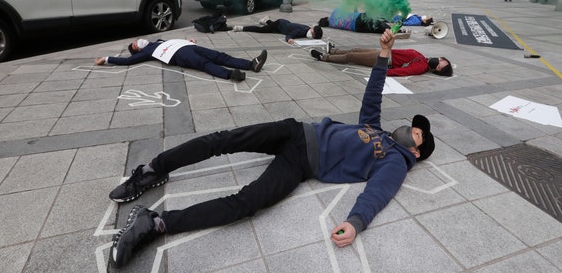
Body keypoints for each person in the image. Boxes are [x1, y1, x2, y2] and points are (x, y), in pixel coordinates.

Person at [108, 30, 436, 268]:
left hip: (302, 163)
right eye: (414, 125)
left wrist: (356, 222)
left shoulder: (395, 160)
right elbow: (373, 95)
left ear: (416, 152)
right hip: (296, 130)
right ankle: (152, 169)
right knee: (222, 140)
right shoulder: (375, 129)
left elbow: (378, 192)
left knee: (247, 202)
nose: (410, 128)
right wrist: (383, 53)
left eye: (417, 133)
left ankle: (154, 223)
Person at [94, 38, 267, 82]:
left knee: (219, 56)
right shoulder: (146, 51)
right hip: (178, 55)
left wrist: (188, 41)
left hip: (187, 47)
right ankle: (231, 75)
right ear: (136, 49)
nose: (137, 40)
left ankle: (251, 65)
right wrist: (106, 59)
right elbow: (127, 62)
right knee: (205, 64)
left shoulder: (156, 42)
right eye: (134, 44)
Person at [310, 43, 453, 77]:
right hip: (385, 52)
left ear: (436, 71)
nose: (438, 63)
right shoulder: (423, 58)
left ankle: (324, 57)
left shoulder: (421, 66)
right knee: (356, 50)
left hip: (384, 59)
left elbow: (404, 71)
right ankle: (333, 51)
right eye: (441, 61)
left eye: (440, 67)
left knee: (352, 57)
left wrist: (383, 72)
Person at [233, 16, 323, 44]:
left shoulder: (307, 29)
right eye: (313, 34)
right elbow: (290, 35)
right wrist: (289, 39)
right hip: (280, 24)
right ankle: (241, 28)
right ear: (312, 30)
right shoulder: (302, 30)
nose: (312, 36)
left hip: (283, 25)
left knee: (270, 27)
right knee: (262, 30)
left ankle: (266, 20)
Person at [318, 8, 390, 33]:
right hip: (357, 18)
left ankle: (390, 30)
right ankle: (390, 28)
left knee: (373, 28)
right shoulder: (334, 13)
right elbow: (344, 7)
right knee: (374, 18)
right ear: (326, 18)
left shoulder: (332, 25)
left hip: (356, 28)